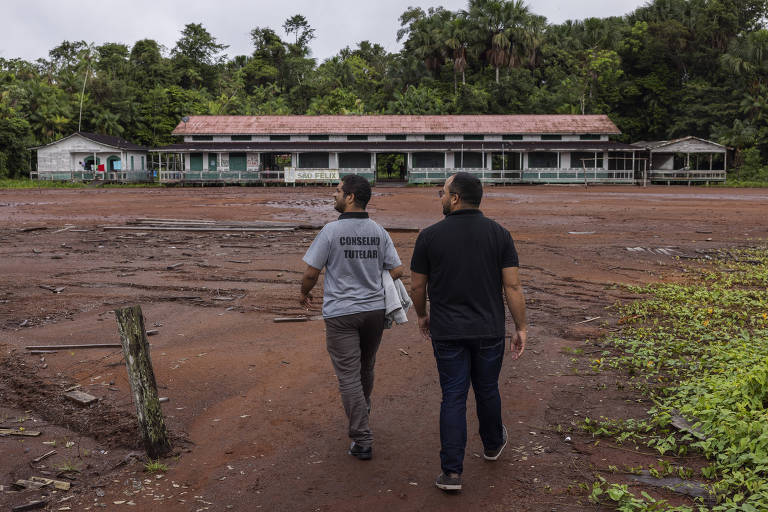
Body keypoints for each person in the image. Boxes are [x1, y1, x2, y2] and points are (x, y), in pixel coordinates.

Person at [410, 172, 528, 492]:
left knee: (453, 396)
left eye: (443, 193)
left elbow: (417, 285)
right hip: (488, 330)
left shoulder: (430, 236)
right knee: (487, 389)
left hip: (447, 331)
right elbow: (512, 286)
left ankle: (451, 473)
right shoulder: (499, 235)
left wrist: (422, 315)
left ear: (456, 198)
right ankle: (492, 445)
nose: (441, 197)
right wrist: (520, 327)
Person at [300, 174, 404, 460]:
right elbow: (396, 270)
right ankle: (363, 407)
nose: (333, 196)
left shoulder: (330, 232)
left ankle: (362, 438)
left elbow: (311, 272)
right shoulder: (379, 231)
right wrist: (371, 276)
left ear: (349, 197)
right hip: (373, 311)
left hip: (341, 314)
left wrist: (303, 293)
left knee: (348, 376)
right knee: (365, 367)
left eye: (337, 191)